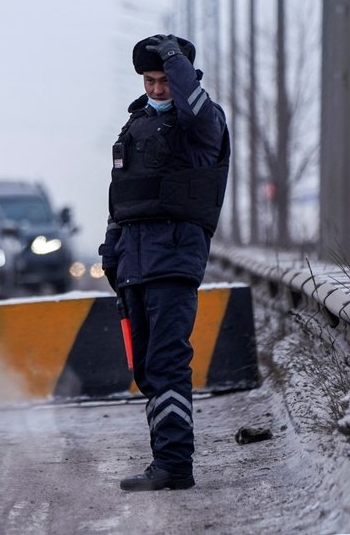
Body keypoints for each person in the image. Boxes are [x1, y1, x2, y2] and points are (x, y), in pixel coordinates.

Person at [98, 34, 230, 491]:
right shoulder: (133, 127)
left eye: (165, 81)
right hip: (134, 260)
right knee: (147, 369)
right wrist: (110, 250)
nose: (157, 90)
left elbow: (194, 108)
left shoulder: (201, 124)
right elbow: (122, 200)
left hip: (174, 257)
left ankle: (176, 464)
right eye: (150, 81)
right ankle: (164, 461)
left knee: (168, 360)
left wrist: (177, 62)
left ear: (183, 79)